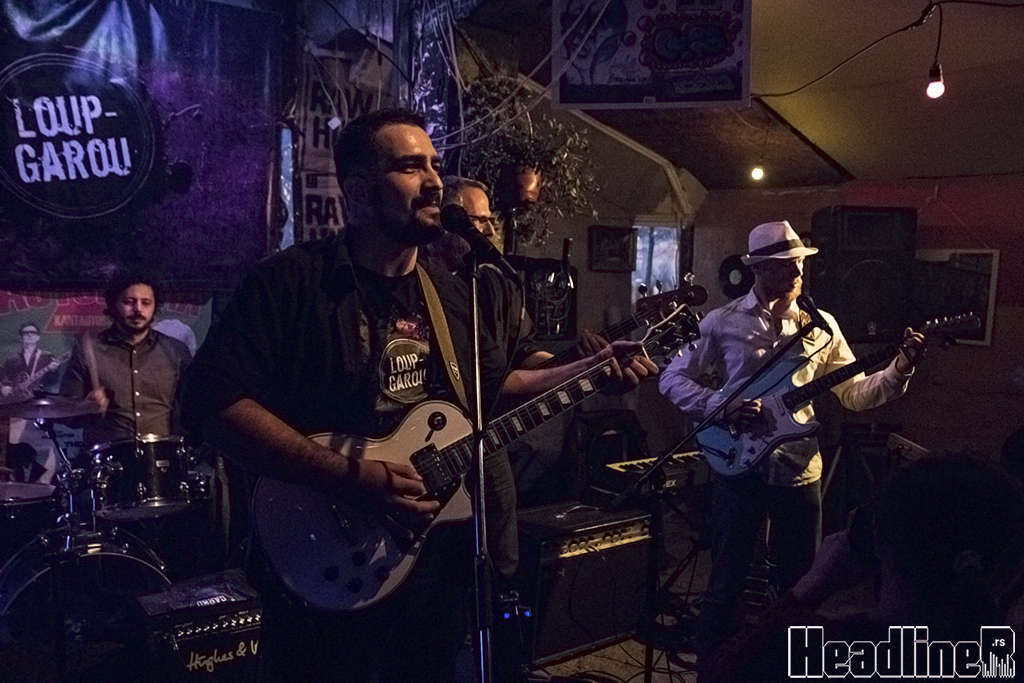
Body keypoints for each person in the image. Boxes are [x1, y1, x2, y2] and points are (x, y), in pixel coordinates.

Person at [182, 108, 656, 683]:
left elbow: (495, 390)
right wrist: (350, 477)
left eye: (434, 164)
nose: (433, 181)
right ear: (357, 189)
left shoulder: (451, 295)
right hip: (318, 552)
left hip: (429, 563)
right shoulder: (289, 282)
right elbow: (213, 404)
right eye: (410, 167)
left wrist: (593, 369)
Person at [658, 220, 925, 661]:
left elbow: (855, 394)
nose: (798, 271)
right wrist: (721, 405)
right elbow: (671, 378)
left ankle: (788, 667)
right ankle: (714, 668)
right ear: (758, 269)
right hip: (734, 460)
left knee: (801, 584)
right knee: (726, 581)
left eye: (800, 262)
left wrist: (900, 369)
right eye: (786, 264)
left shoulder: (822, 326)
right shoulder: (721, 323)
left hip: (798, 467)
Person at [700, 452, 1024, 683]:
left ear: (873, 539)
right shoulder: (1005, 661)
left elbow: (720, 672)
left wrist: (807, 590)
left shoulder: (805, 649)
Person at [61, 273, 192, 450]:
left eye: (146, 303)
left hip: (161, 457)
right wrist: (84, 408)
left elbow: (192, 410)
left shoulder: (176, 351)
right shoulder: (88, 350)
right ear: (113, 305)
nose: (138, 309)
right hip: (108, 459)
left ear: (155, 307)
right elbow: (65, 414)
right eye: (129, 302)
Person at [0, 321, 63, 482]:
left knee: (44, 449)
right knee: (15, 447)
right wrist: (4, 387)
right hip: (17, 408)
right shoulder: (12, 360)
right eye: (26, 333)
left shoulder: (47, 357)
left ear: (38, 337)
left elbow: (53, 382)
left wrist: (53, 371)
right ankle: (19, 481)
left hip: (39, 408)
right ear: (21, 338)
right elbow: (5, 378)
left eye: (33, 333)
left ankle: (38, 481)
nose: (29, 335)